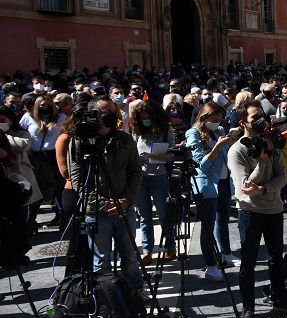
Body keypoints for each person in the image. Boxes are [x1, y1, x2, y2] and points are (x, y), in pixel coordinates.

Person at [66, 97, 145, 294]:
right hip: (96, 212)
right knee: (100, 261)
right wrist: (101, 203)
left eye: (113, 110)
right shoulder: (79, 141)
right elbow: (77, 179)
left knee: (130, 255)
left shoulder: (124, 139)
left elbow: (135, 171)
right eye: (106, 112)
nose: (112, 115)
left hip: (124, 208)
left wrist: (127, 200)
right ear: (94, 115)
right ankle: (106, 299)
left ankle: (136, 292)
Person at [227, 104, 287, 318]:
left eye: (261, 116)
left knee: (276, 259)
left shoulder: (271, 143)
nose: (260, 120)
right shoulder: (237, 150)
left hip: (273, 209)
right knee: (248, 262)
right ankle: (248, 308)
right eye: (255, 117)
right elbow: (245, 185)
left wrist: (264, 189)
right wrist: (261, 163)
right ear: (243, 122)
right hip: (250, 212)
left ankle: (280, 298)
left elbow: (282, 176)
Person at [186, 103, 238, 280]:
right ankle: (210, 265)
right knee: (208, 226)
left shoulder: (220, 130)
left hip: (223, 181)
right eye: (214, 120)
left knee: (223, 220)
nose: (217, 123)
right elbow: (201, 163)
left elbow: (224, 155)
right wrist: (217, 147)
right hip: (207, 184)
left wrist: (228, 142)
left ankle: (226, 254)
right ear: (204, 117)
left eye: (219, 119)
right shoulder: (192, 133)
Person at [129, 100, 175, 263]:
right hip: (140, 178)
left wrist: (152, 156)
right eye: (141, 118)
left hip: (159, 176)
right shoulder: (136, 131)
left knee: (164, 214)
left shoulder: (165, 130)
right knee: (144, 216)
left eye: (147, 117)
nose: (145, 120)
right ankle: (147, 249)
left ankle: (170, 246)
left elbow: (172, 154)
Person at [24, 94, 64, 227]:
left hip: (54, 156)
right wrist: (26, 148)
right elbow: (19, 132)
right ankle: (31, 221)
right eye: (42, 105)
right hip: (35, 157)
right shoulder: (28, 117)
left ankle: (62, 217)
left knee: (59, 187)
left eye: (48, 104)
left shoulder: (60, 118)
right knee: (35, 189)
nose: (45, 107)